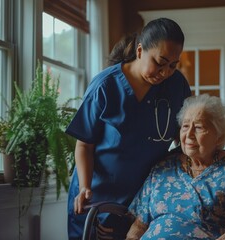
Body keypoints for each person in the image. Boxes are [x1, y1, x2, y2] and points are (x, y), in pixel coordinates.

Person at [65, 18, 191, 239]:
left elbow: (184, 137)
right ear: (140, 50)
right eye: (160, 62)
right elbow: (84, 143)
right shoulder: (106, 86)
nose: (165, 72)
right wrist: (85, 187)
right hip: (97, 196)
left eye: (173, 65)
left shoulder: (177, 86)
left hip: (144, 201)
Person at [126, 94, 225, 239]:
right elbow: (140, 224)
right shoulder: (162, 168)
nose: (189, 134)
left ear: (218, 136)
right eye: (185, 126)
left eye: (199, 127)